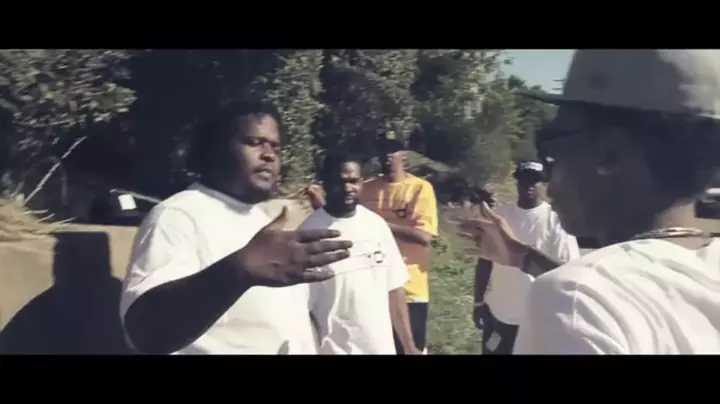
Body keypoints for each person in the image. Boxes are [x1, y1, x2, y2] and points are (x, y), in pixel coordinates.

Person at [462, 50, 720, 354]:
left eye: (552, 144)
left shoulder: (575, 301)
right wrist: (521, 256)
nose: (548, 177)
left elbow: (587, 297)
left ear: (609, 154)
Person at [118, 102, 352, 355]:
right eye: (254, 142)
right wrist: (239, 269)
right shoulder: (178, 215)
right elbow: (146, 333)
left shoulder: (261, 220)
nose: (269, 155)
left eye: (276, 147)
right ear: (216, 150)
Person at [299, 153, 422, 354]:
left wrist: (409, 346)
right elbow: (303, 309)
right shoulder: (309, 234)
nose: (348, 188)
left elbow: (394, 289)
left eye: (354, 181)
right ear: (325, 184)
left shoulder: (376, 226)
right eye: (340, 182)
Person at [472, 161, 580, 354]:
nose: (528, 185)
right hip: (499, 314)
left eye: (534, 180)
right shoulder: (500, 215)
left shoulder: (556, 220)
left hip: (536, 320)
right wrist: (478, 302)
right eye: (523, 180)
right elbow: (485, 260)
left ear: (544, 184)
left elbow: (567, 272)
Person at [359, 138, 438, 354]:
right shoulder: (365, 189)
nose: (388, 154)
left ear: (404, 154)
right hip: (372, 287)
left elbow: (423, 236)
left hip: (410, 288)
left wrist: (379, 225)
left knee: (410, 349)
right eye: (383, 149)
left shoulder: (420, 189)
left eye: (393, 150)